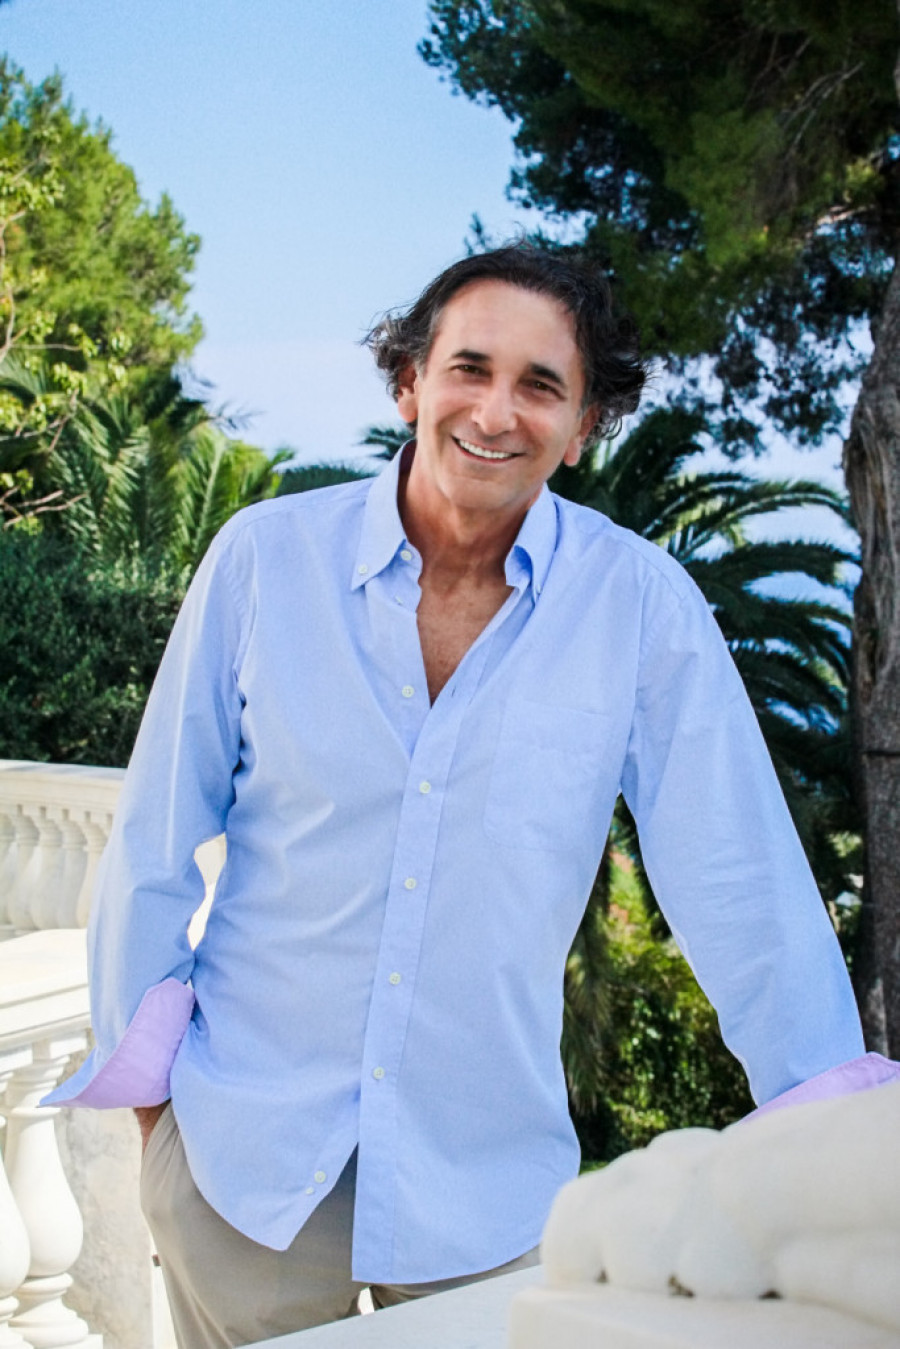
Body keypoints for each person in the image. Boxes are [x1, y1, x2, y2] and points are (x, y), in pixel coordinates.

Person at [45, 244, 871, 1347]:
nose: (495, 410)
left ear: (581, 427)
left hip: (488, 1189)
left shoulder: (641, 607)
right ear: (410, 382)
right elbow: (155, 837)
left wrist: (833, 1145)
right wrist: (162, 1121)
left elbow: (740, 876)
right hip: (241, 1169)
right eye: (469, 368)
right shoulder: (262, 562)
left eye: (541, 384)